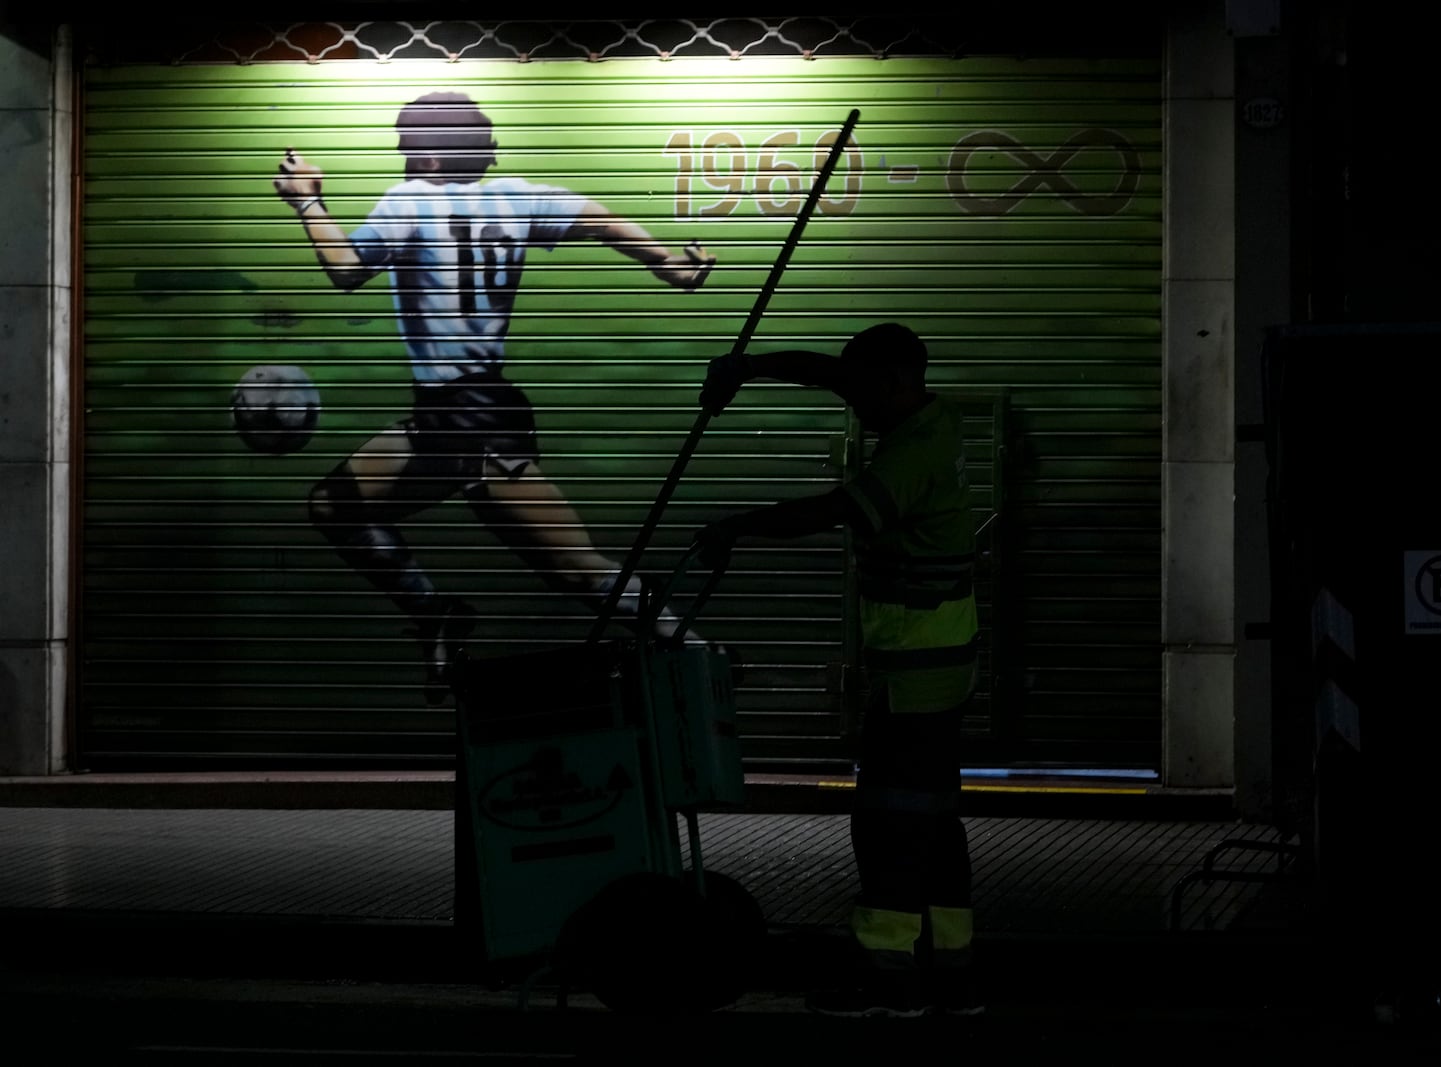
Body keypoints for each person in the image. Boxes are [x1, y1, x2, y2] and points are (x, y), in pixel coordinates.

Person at [273, 91, 714, 704]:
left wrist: (308, 202)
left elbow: (346, 268)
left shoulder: (411, 201)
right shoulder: (519, 196)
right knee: (334, 506)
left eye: (407, 147)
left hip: (469, 419)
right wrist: (665, 260)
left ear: (428, 155)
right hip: (453, 414)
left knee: (575, 568)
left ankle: (691, 650)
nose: (402, 159)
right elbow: (598, 221)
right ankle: (435, 614)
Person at [694, 323, 982, 1018]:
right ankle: (948, 975)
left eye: (860, 393)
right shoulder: (930, 414)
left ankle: (887, 980)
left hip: (916, 673)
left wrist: (737, 525)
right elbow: (831, 370)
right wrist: (752, 365)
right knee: (934, 822)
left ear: (893, 382)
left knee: (890, 822)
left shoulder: (914, 452)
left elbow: (843, 510)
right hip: (934, 667)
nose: (850, 404)